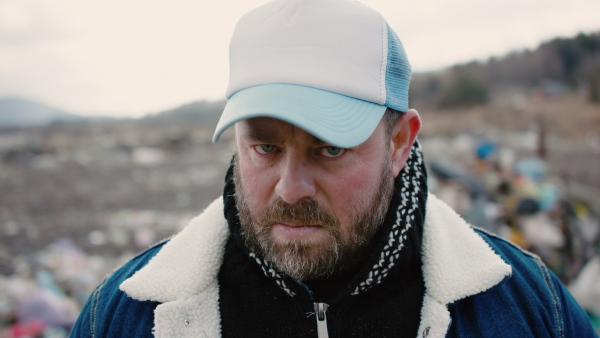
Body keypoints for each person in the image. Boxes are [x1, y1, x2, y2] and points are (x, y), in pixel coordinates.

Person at [70, 0, 598, 337]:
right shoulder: (122, 316)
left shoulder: (528, 309)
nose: (290, 189)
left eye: (329, 149)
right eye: (265, 148)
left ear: (399, 142)